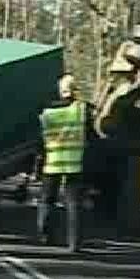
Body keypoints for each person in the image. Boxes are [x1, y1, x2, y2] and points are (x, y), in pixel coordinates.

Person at [36, 73, 92, 253]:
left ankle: (45, 235)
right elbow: (91, 133)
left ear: (60, 91)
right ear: (74, 90)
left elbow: (39, 138)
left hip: (52, 161)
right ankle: (74, 243)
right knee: (73, 203)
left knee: (47, 199)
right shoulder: (81, 109)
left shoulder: (46, 111)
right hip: (74, 161)